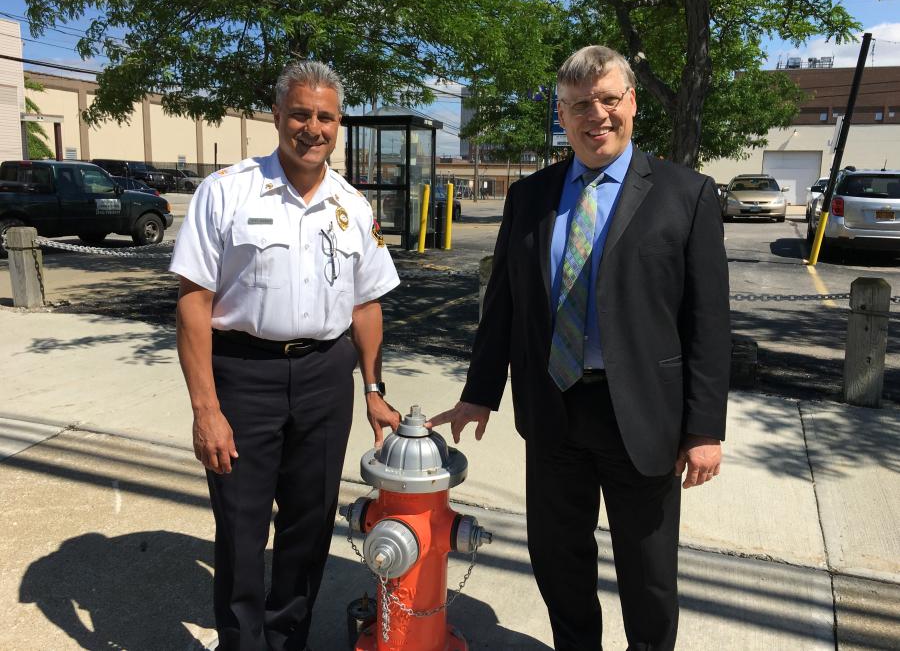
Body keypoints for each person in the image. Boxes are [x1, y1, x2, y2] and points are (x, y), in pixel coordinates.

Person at [428, 45, 730, 650]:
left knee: (647, 576)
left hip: (643, 418)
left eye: (608, 100)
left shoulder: (686, 194)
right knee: (558, 562)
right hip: (554, 412)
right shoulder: (530, 197)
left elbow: (708, 322)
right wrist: (479, 394)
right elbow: (505, 306)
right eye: (578, 106)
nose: (597, 116)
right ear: (561, 117)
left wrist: (703, 429)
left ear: (632, 103)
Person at [170, 60, 401, 651]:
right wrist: (206, 410)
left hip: (327, 376)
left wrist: (373, 391)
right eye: (300, 113)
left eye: (325, 116)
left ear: (338, 124)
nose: (312, 127)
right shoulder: (227, 191)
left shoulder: (354, 205)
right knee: (242, 529)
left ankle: (286, 639)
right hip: (244, 375)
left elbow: (367, 304)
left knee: (308, 525)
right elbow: (194, 303)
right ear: (277, 116)